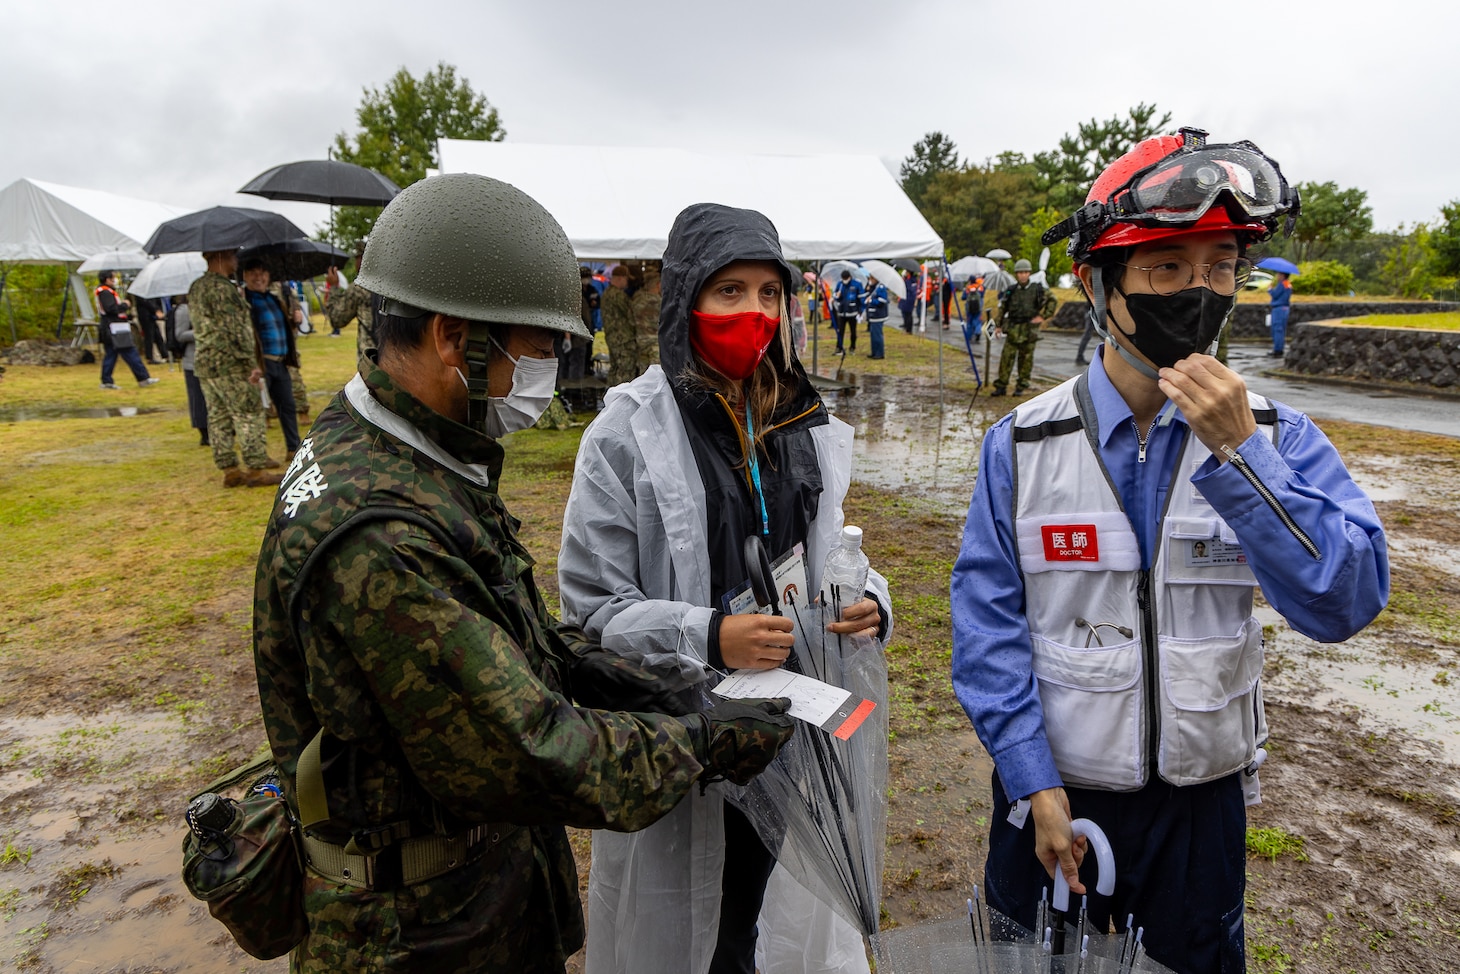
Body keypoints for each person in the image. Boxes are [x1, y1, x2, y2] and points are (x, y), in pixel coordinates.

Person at [252, 174, 796, 974]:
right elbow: (536, 750)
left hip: (467, 899)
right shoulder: (382, 533)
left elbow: (522, 646)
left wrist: (650, 687)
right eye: (534, 353)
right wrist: (707, 739)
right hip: (418, 936)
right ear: (451, 338)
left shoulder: (414, 461)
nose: (541, 377)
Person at [951, 127, 1388, 974]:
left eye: (1220, 266)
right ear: (1096, 284)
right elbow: (989, 630)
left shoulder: (1277, 436)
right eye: (1165, 268)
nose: (1199, 291)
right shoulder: (1023, 444)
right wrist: (1033, 782)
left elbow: (1346, 600)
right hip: (1054, 800)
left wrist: (1244, 461)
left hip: (1201, 809)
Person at [558, 202, 893, 974]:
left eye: (769, 293)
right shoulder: (626, 432)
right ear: (686, 301)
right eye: (729, 291)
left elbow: (832, 552)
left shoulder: (796, 420)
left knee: (762, 919)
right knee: (690, 937)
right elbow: (591, 613)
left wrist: (872, 597)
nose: (754, 313)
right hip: (686, 741)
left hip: (790, 727)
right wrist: (708, 634)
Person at [188, 249, 282, 488]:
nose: (236, 261)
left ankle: (229, 469)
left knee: (218, 416)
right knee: (248, 413)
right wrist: (250, 363)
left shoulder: (197, 286)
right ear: (220, 257)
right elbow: (237, 330)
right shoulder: (223, 289)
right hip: (231, 363)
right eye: (232, 256)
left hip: (206, 363)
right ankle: (255, 469)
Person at [240, 257, 302, 457]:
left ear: (268, 276)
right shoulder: (244, 301)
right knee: (259, 410)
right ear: (245, 276)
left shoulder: (274, 298)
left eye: (262, 273)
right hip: (261, 363)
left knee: (288, 406)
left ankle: (293, 449)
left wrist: (294, 320)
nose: (259, 278)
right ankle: (259, 457)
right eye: (253, 274)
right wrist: (252, 362)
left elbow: (284, 327)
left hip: (280, 361)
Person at [989, 258, 1057, 397]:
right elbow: (1003, 308)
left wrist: (1043, 316)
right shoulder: (1011, 290)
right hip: (1013, 328)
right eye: (1020, 273)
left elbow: (1052, 300)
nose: (1023, 275)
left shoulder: (1037, 289)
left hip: (1029, 330)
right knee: (1006, 358)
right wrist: (998, 325)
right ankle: (1001, 385)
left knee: (1025, 360)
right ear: (1016, 274)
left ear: (1029, 273)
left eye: (1025, 272)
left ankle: (1021, 385)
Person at [95, 270, 158, 389]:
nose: (114, 281)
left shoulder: (106, 291)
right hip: (113, 327)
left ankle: (107, 380)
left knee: (112, 354)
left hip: (113, 326)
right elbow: (111, 309)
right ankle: (143, 378)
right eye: (113, 278)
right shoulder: (104, 292)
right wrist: (125, 305)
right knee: (129, 352)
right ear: (107, 279)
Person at [324, 248, 377, 375]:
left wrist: (333, 287)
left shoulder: (359, 289)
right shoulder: (398, 285)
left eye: (358, 258)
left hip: (371, 364)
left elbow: (337, 319)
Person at [172, 295, 208, 446]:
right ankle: (204, 433)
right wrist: (202, 331)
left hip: (211, 360)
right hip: (192, 361)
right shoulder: (184, 310)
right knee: (198, 398)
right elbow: (180, 335)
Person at [601, 264, 637, 385]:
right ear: (621, 278)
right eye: (627, 279)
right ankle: (623, 400)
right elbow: (632, 316)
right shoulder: (619, 295)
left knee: (615, 369)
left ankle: (611, 398)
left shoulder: (606, 293)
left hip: (612, 338)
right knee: (626, 372)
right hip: (623, 340)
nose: (627, 283)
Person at [631, 262, 662, 376]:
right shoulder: (658, 302)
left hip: (640, 342)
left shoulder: (638, 298)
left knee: (643, 376)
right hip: (654, 345)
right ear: (658, 284)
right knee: (655, 377)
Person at [832, 268, 864, 353]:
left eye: (846, 279)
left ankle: (852, 347)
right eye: (843, 279)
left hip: (853, 312)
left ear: (849, 277)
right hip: (842, 312)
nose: (844, 280)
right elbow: (835, 294)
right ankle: (839, 347)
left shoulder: (856, 284)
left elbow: (861, 298)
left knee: (853, 331)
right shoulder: (840, 284)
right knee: (840, 331)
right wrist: (836, 296)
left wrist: (860, 311)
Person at [865, 270, 890, 359]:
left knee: (877, 335)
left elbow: (883, 301)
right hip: (872, 315)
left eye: (872, 278)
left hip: (878, 315)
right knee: (873, 335)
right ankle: (874, 352)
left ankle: (879, 353)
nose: (870, 280)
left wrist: (872, 301)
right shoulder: (874, 288)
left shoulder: (881, 288)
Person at [1267, 270, 1292, 358]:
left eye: (1278, 274)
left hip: (1279, 308)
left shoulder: (1282, 284)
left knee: (1277, 329)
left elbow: (1275, 294)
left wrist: (1270, 289)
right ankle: (1278, 348)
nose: (1277, 276)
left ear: (1283, 275)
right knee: (1280, 330)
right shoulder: (1287, 284)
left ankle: (1277, 350)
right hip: (1284, 308)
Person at [963, 275, 985, 345]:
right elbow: (982, 295)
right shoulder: (980, 287)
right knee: (978, 321)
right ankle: (977, 332)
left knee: (969, 322)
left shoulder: (967, 288)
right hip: (978, 307)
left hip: (969, 307)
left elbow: (963, 297)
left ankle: (969, 336)